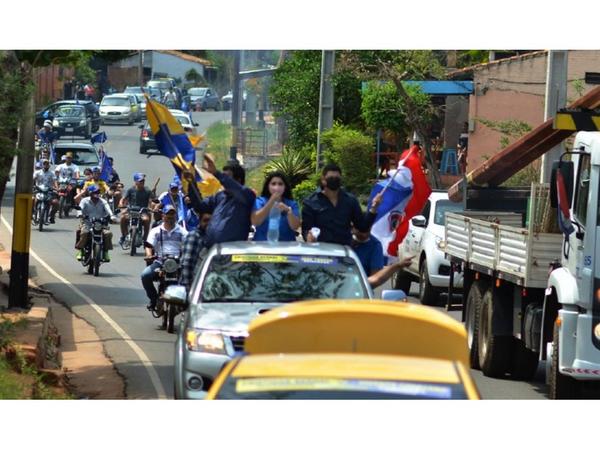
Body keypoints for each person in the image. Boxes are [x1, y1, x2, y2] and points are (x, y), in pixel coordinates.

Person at [302, 163, 383, 245]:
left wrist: (374, 207)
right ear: (323, 179)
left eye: (337, 178)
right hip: (321, 252)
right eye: (331, 178)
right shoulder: (311, 202)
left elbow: (362, 227)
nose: (334, 180)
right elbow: (306, 230)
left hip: (343, 251)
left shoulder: (350, 201)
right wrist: (309, 237)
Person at [190, 156, 256, 248]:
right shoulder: (219, 196)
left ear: (238, 180)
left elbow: (236, 189)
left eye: (227, 177)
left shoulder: (246, 196)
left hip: (232, 253)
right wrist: (191, 183)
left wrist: (217, 173)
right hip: (212, 252)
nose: (222, 181)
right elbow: (200, 206)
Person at [142, 205, 188, 310]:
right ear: (163, 216)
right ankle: (154, 299)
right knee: (145, 275)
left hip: (177, 263)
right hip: (160, 262)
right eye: (168, 214)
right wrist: (149, 255)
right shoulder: (156, 231)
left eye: (172, 214)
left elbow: (189, 246)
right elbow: (149, 246)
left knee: (191, 278)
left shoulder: (182, 232)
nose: (170, 217)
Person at [251, 171, 300, 241]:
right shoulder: (259, 201)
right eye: (273, 184)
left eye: (280, 184)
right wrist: (271, 201)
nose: (277, 187)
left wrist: (288, 211)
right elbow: (255, 222)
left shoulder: (291, 204)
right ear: (268, 186)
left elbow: (295, 226)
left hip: (286, 247)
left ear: (285, 187)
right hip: (263, 246)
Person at [75, 184, 117, 262]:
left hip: (100, 224)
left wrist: (112, 216)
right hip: (87, 223)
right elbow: (80, 208)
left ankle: (105, 252)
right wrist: (80, 214)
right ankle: (81, 250)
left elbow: (108, 208)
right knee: (84, 233)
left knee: (108, 234)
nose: (97, 194)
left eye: (98, 192)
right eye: (95, 192)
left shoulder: (103, 201)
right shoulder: (85, 200)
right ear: (90, 193)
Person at [119, 172, 155, 245]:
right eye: (140, 181)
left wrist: (152, 207)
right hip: (131, 211)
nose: (142, 182)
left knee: (146, 219)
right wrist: (121, 204)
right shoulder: (130, 190)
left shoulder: (147, 190)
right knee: (122, 218)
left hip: (143, 211)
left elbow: (153, 200)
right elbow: (123, 199)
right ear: (135, 181)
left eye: (143, 181)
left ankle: (145, 239)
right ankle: (124, 236)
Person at [180, 212, 212, 289]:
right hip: (194, 287)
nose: (208, 223)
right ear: (200, 221)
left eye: (211, 221)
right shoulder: (194, 236)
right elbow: (187, 264)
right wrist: (188, 288)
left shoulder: (211, 237)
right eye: (205, 220)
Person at [33, 158, 59, 223]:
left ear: (49, 165)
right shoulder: (37, 172)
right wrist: (31, 186)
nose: (46, 165)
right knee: (33, 200)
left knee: (56, 202)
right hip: (38, 190)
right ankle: (32, 213)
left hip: (49, 191)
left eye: (47, 164)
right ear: (42, 165)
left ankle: (52, 216)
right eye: (44, 164)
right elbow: (33, 179)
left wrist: (57, 188)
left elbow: (55, 181)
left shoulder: (52, 173)